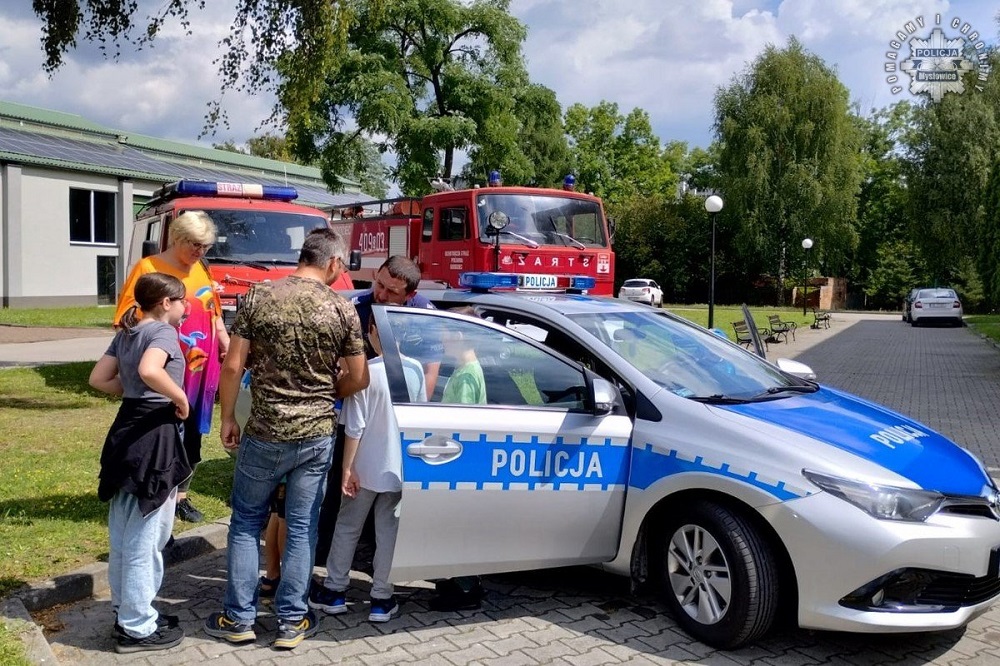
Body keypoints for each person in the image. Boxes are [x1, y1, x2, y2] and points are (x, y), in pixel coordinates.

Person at [205, 228, 369, 650]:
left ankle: (238, 619)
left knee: (245, 523)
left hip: (264, 431)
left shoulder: (258, 297)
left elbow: (232, 364)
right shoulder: (342, 309)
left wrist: (227, 416)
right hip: (316, 434)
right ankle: (291, 622)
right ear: (333, 263)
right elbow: (359, 376)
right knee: (301, 527)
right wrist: (326, 395)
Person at [89, 272, 191, 653]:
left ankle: (127, 610)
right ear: (166, 303)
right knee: (147, 537)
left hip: (125, 431)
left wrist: (131, 390)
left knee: (124, 528)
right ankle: (138, 626)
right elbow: (151, 370)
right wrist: (180, 399)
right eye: (182, 301)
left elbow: (99, 378)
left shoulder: (128, 331)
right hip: (153, 435)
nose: (185, 308)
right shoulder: (162, 333)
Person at [113, 210, 230, 524]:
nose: (199, 252)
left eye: (205, 246)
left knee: (193, 433)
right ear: (176, 237)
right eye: (194, 244)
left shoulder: (201, 268)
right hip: (166, 367)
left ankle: (180, 497)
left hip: (202, 369)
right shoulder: (149, 268)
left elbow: (213, 313)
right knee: (163, 431)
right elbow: (127, 317)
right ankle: (153, 494)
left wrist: (227, 346)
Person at [310, 316, 424, 622]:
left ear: (373, 332)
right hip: (399, 467)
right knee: (389, 531)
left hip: (363, 466)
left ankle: (335, 591)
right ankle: (381, 597)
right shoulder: (415, 371)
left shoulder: (367, 373)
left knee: (347, 527)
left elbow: (355, 426)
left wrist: (347, 468)